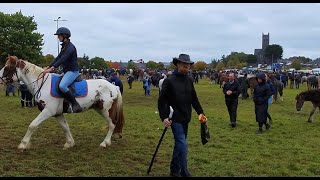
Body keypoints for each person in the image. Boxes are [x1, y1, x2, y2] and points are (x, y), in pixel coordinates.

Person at [158, 54, 207, 177]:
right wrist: (164, 117)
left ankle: (174, 171)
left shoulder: (189, 80)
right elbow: (161, 101)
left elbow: (194, 99)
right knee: (182, 143)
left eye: (188, 65)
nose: (186, 67)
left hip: (186, 117)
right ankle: (185, 172)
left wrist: (201, 114)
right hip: (174, 118)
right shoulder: (169, 81)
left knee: (179, 144)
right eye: (183, 65)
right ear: (178, 65)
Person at [43, 27, 82, 113]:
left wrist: (52, 69)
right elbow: (58, 58)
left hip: (72, 71)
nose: (58, 37)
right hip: (66, 71)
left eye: (59, 36)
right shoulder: (64, 46)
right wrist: (48, 67)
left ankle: (75, 104)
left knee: (62, 86)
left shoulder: (71, 47)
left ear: (64, 36)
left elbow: (63, 59)